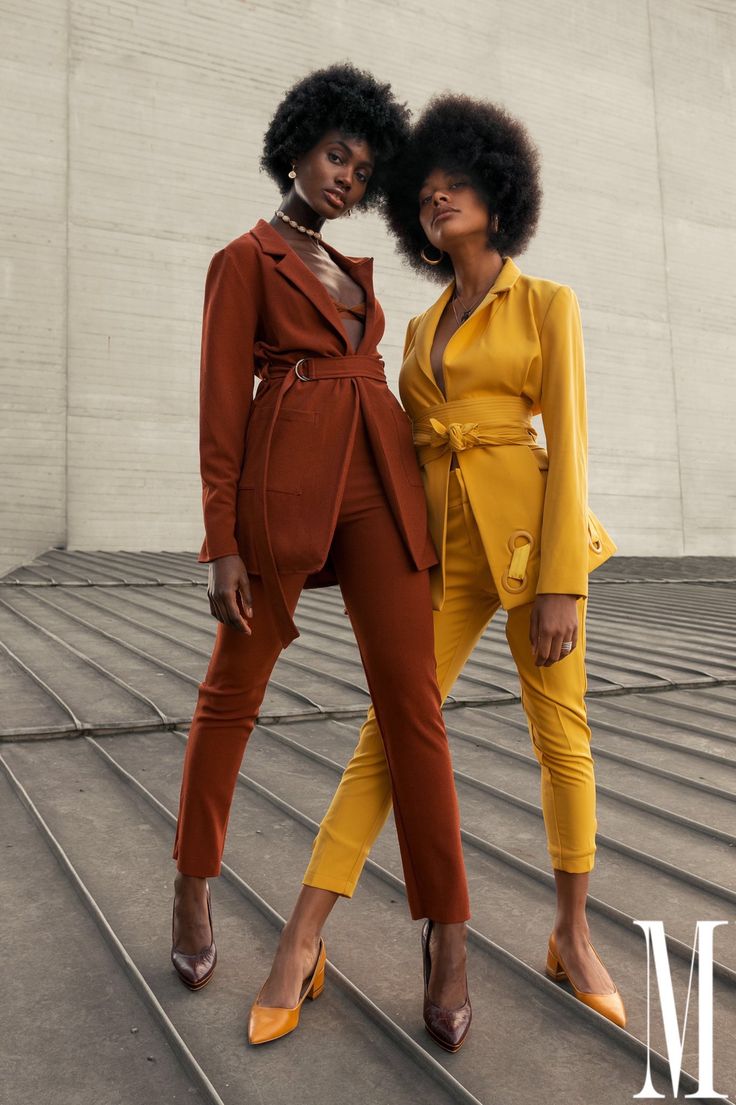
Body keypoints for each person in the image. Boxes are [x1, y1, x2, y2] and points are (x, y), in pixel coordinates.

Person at [269, 92, 626, 1031]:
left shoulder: (549, 305)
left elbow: (573, 448)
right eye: (425, 193)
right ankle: (305, 933)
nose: (437, 199)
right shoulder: (421, 331)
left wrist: (561, 582)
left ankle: (573, 933)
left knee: (562, 736)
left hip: (533, 544)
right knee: (388, 730)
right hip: (438, 557)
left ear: (499, 198)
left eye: (457, 184)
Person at [170, 65, 471, 1052]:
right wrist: (221, 542)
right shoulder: (244, 259)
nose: (347, 175)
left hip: (378, 481)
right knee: (233, 688)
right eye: (338, 153)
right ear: (297, 145)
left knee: (411, 702)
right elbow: (221, 412)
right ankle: (193, 884)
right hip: (285, 482)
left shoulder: (344, 266)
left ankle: (445, 934)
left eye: (362, 166)